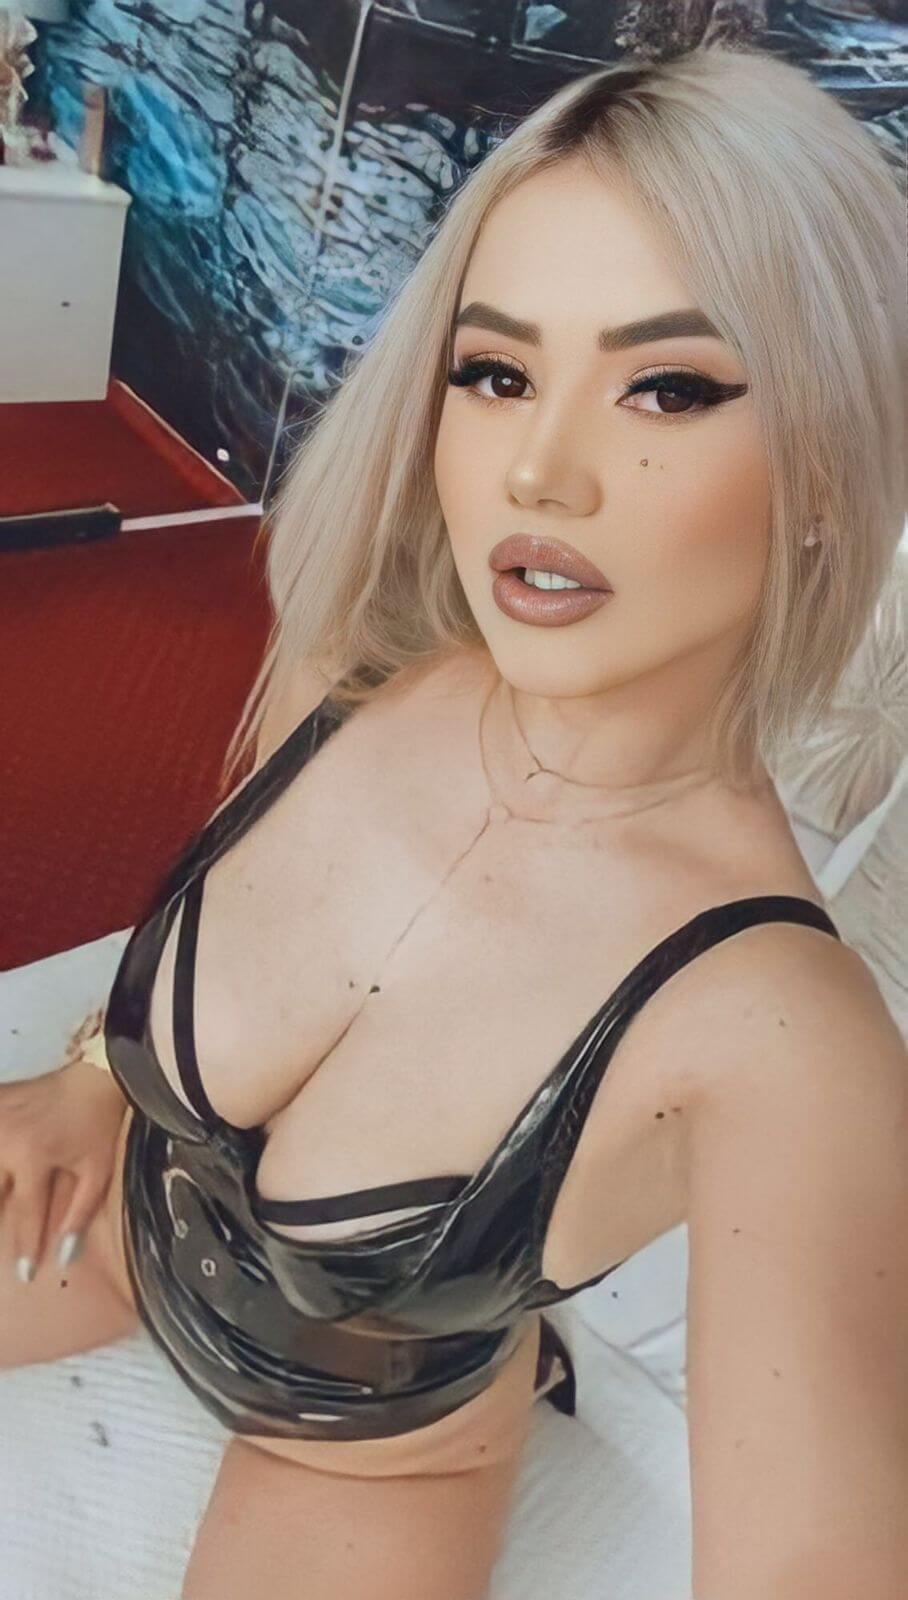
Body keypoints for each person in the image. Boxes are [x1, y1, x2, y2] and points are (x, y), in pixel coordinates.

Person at [2, 40, 906, 1600]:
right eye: (497, 373)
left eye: (667, 386)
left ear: (830, 467)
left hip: (360, 1452)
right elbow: (223, 905)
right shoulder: (359, 668)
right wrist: (96, 1073)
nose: (540, 471)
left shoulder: (784, 1039)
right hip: (118, 1219)